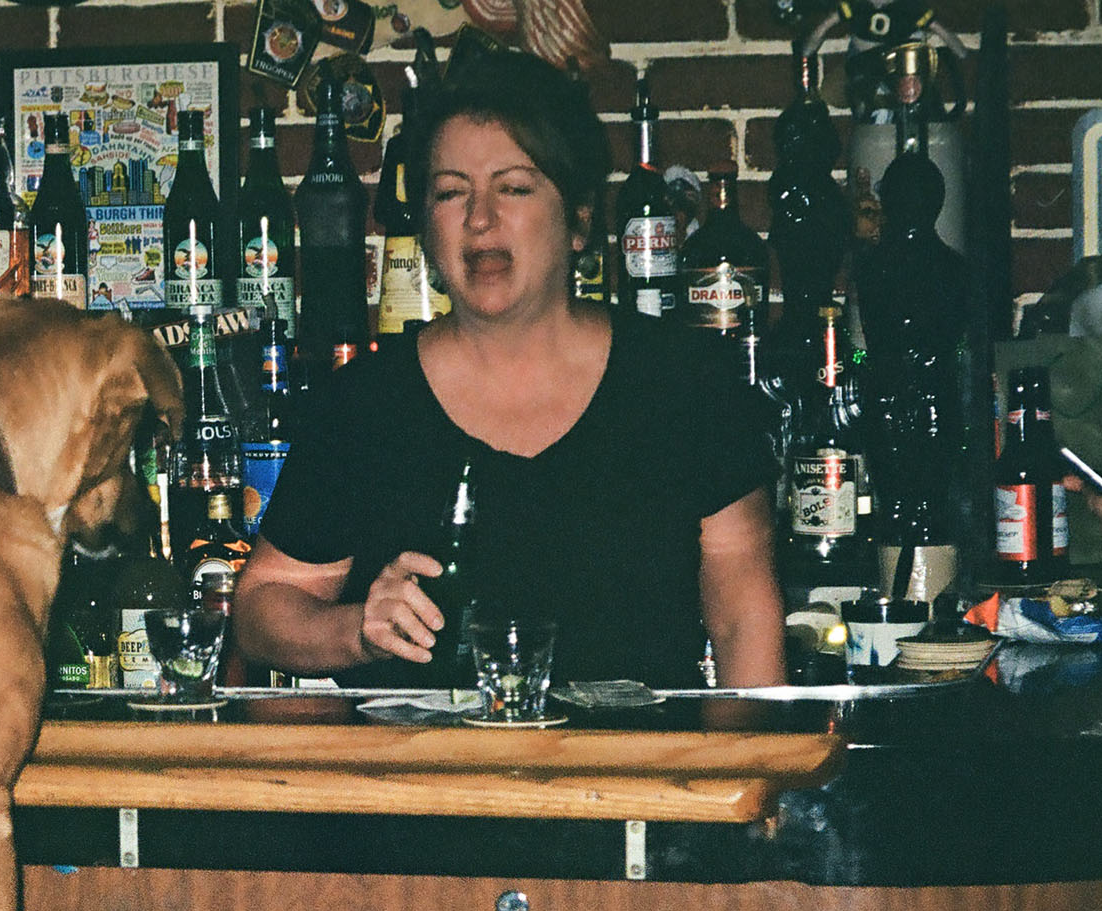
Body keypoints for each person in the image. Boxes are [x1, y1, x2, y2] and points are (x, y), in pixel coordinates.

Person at [233, 50, 786, 690]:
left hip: (638, 757)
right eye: (450, 192)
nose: (479, 218)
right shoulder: (365, 403)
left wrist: (747, 754)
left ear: (579, 219)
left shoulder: (684, 382)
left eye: (514, 187)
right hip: (422, 759)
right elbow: (262, 607)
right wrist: (356, 630)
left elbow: (744, 619)